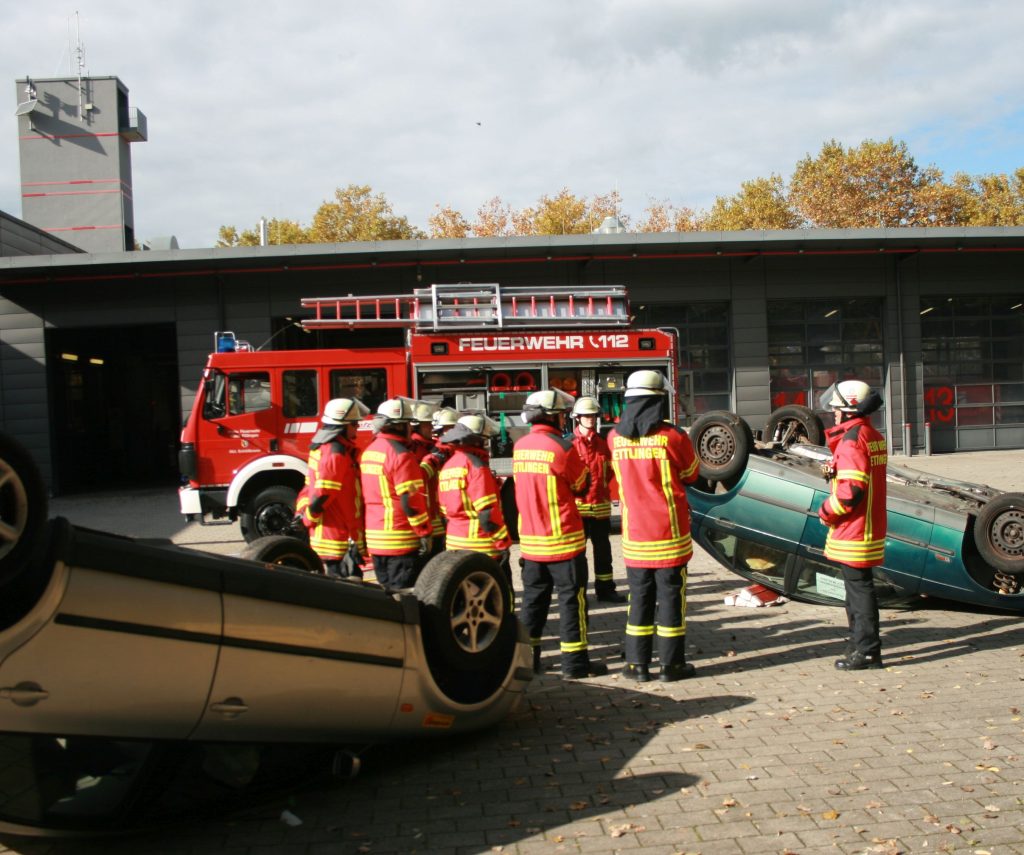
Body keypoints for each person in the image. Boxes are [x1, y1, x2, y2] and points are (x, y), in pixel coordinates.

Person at [609, 370, 700, 682]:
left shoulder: (613, 438)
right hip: (669, 535)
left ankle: (637, 665)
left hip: (635, 537)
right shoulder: (672, 437)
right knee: (671, 601)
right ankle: (671, 666)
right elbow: (691, 474)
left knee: (639, 601)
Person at [513, 388, 607, 680]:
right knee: (571, 602)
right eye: (563, 414)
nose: (566, 418)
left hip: (531, 543)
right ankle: (575, 665)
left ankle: (529, 662)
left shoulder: (521, 446)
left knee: (533, 603)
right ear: (553, 416)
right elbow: (581, 483)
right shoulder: (562, 448)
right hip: (563, 540)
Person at [818, 379, 887, 671]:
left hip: (854, 530)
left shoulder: (851, 441)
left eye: (836, 409)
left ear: (849, 410)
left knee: (858, 594)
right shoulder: (871, 434)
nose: (833, 413)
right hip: (869, 526)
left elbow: (850, 492)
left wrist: (825, 512)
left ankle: (866, 651)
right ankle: (860, 645)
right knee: (860, 591)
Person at [360, 397, 434, 591]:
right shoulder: (402, 455)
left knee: (386, 597)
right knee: (404, 598)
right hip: (400, 540)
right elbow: (410, 501)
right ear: (399, 426)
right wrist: (424, 532)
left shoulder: (369, 451)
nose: (411, 428)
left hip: (376, 540)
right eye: (408, 423)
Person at [295, 397, 369, 578]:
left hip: (333, 534)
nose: (357, 429)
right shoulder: (336, 454)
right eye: (355, 425)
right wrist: (308, 518)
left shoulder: (322, 448)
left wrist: (303, 512)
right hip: (337, 537)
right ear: (343, 425)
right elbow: (323, 494)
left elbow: (309, 487)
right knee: (348, 591)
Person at [437, 413, 512, 585]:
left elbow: (444, 509)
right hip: (481, 546)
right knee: (501, 593)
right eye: (485, 441)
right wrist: (502, 542)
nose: (487, 446)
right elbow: (486, 513)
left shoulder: (449, 465)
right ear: (477, 441)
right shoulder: (476, 467)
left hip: (454, 544)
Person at [570, 395, 624, 603]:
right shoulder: (570, 444)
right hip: (579, 509)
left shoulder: (602, 443)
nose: (590, 419)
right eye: (586, 416)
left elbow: (609, 472)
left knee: (603, 552)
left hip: (600, 507)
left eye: (593, 415)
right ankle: (578, 590)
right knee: (578, 553)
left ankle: (605, 590)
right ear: (578, 418)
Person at [408, 401, 446, 559]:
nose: (431, 427)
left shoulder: (428, 446)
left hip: (434, 515)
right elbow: (415, 482)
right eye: (427, 424)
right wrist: (433, 461)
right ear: (416, 426)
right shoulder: (414, 449)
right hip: (424, 517)